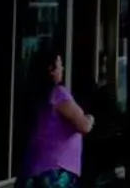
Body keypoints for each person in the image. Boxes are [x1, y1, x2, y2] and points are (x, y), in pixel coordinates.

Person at [18, 48, 92, 188]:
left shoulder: (37, 96)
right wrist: (90, 118)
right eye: (59, 65)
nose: (62, 68)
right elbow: (83, 125)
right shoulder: (58, 94)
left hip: (36, 168)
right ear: (51, 69)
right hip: (57, 169)